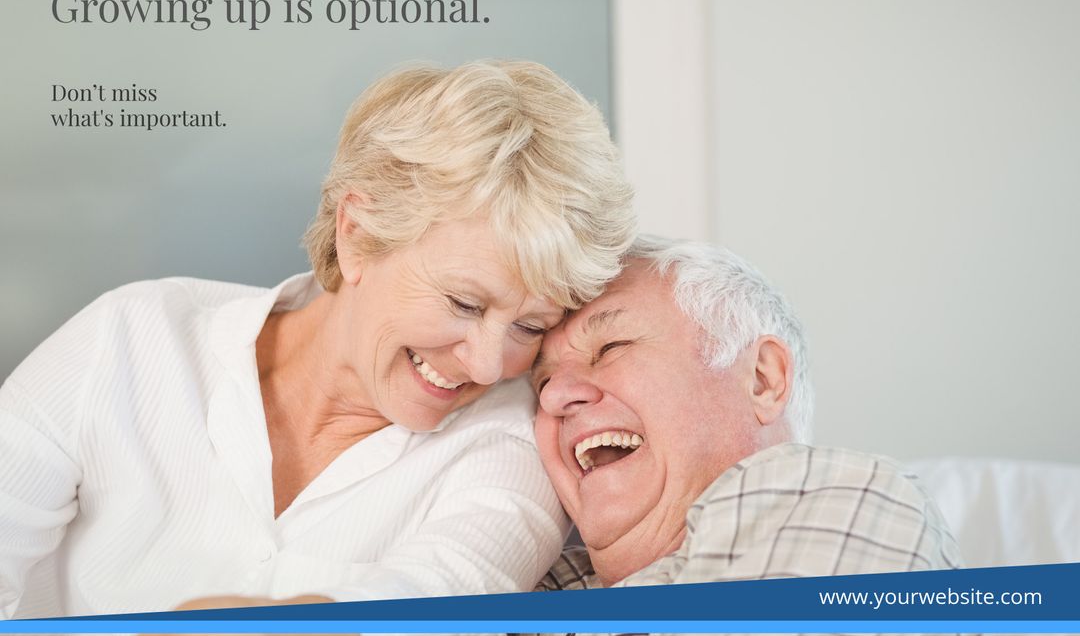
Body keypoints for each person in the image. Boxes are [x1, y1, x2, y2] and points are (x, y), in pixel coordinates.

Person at [0, 61, 637, 619]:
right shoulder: (133, 338)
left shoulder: (511, 443)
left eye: (530, 326)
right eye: (464, 303)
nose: (487, 363)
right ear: (356, 233)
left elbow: (446, 597)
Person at [532, 234, 961, 594]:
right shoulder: (535, 579)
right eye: (542, 384)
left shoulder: (855, 497)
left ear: (762, 379)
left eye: (611, 347)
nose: (554, 398)